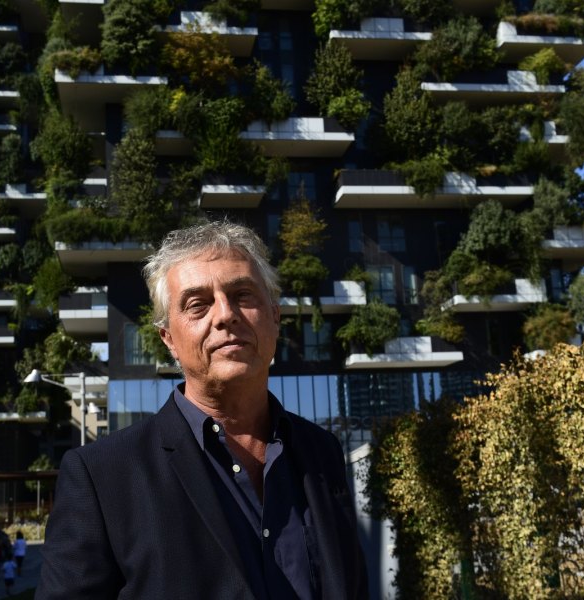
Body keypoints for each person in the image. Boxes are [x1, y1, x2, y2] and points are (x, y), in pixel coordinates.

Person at [36, 221, 367, 599]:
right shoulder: (101, 476)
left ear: (275, 317)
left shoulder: (321, 451)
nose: (225, 315)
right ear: (169, 340)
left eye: (243, 295)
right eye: (198, 304)